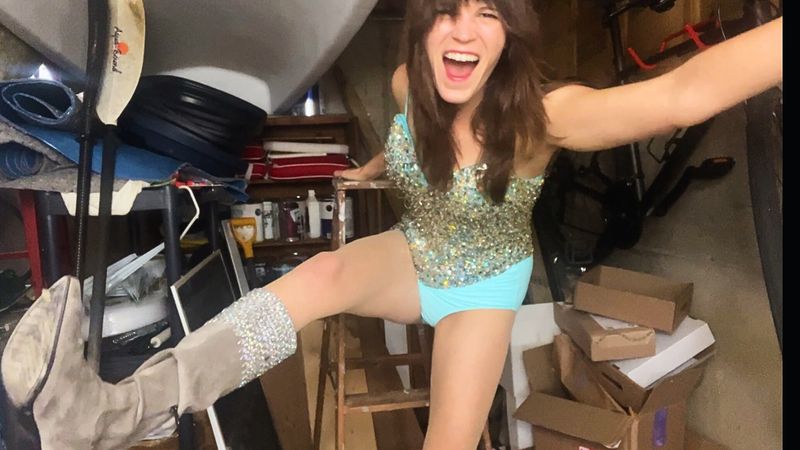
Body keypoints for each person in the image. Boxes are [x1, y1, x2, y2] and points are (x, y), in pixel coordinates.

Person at [1, 1, 782, 449]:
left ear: (508, 35)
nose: (464, 31)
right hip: (416, 252)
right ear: (422, 26)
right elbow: (406, 145)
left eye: (487, 13)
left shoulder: (543, 116)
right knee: (320, 273)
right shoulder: (411, 83)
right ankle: (115, 414)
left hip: (483, 285)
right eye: (447, 11)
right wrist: (366, 170)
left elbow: (682, 95)